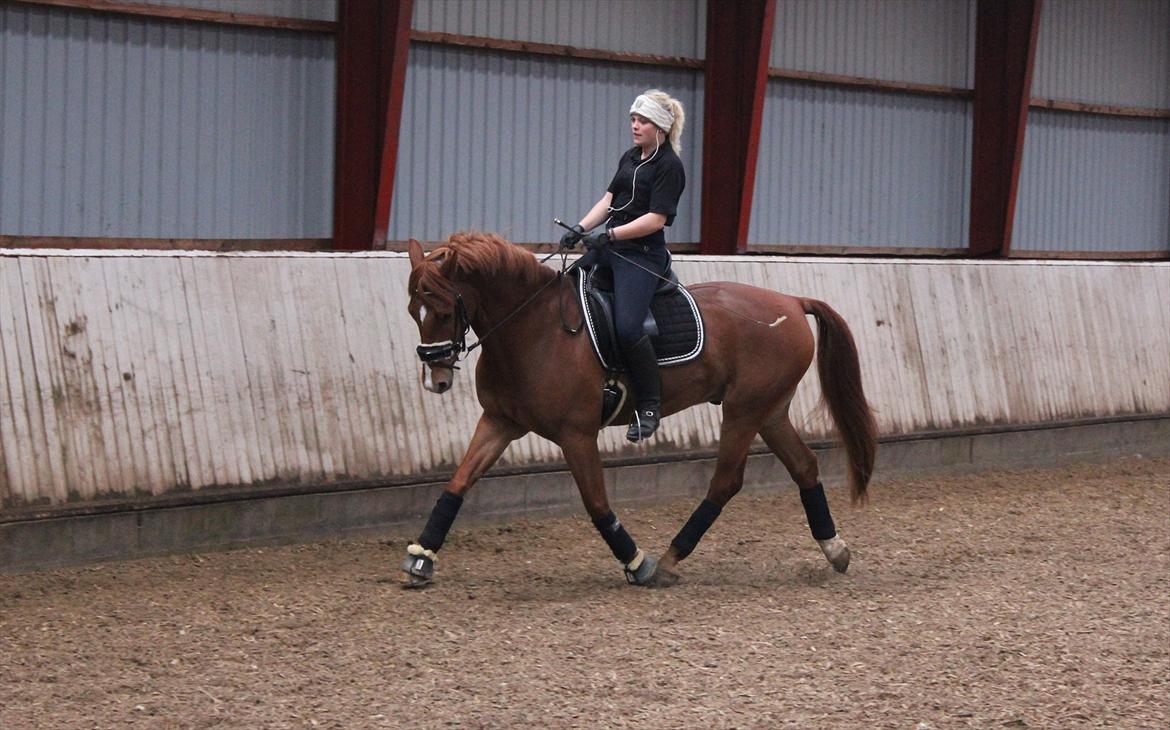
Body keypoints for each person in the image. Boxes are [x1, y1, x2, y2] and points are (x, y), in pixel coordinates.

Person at [560, 89, 687, 442]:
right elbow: (608, 200)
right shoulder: (630, 157)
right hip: (612, 248)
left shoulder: (669, 166)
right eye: (633, 119)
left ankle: (649, 403)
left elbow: (656, 219)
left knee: (629, 327)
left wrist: (611, 236)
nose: (635, 125)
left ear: (659, 127)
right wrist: (580, 228)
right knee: (563, 290)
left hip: (642, 255)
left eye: (642, 120)